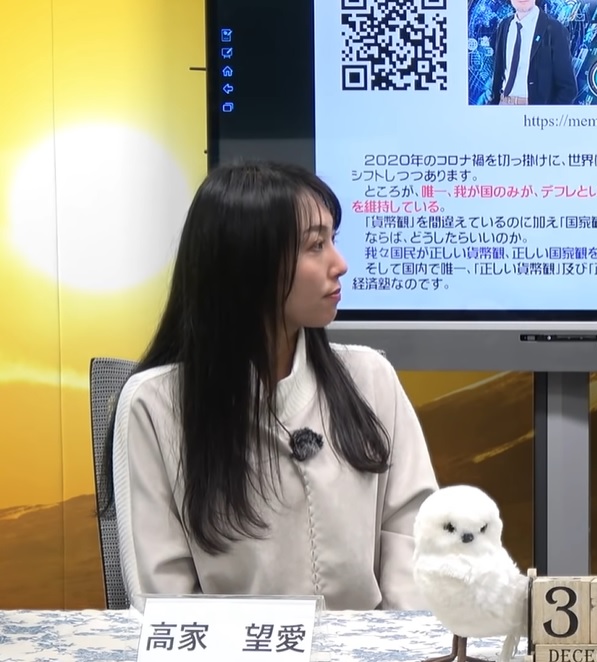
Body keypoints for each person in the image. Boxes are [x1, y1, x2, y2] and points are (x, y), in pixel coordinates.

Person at [98, 161, 438, 610]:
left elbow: (412, 533)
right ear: (247, 263)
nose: (340, 264)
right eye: (316, 245)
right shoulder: (154, 405)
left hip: (370, 645)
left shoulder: (370, 377)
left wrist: (390, 641)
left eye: (333, 240)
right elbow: (165, 601)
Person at [489, 0, 577, 105]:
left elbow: (568, 89)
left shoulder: (555, 29)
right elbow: (499, 71)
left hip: (534, 110)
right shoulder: (504, 25)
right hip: (503, 104)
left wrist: (548, 113)